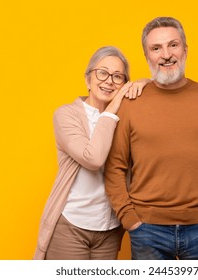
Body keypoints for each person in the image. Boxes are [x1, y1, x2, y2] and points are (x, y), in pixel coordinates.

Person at [104, 17, 198, 260]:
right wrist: (131, 220)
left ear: (186, 50)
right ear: (147, 56)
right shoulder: (130, 103)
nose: (166, 54)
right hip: (147, 230)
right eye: (156, 48)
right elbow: (114, 166)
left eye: (173, 45)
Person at [33, 46, 149, 260]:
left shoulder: (128, 118)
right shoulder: (66, 114)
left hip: (110, 228)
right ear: (88, 79)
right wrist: (112, 110)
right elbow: (93, 158)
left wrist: (145, 83)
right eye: (102, 73)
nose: (109, 81)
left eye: (117, 77)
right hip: (71, 224)